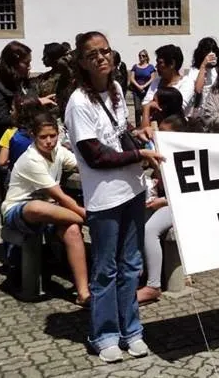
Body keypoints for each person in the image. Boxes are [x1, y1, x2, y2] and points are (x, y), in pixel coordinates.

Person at [65, 31, 163, 363]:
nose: (101, 58)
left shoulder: (119, 90)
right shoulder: (79, 102)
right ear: (82, 61)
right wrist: (139, 158)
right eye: (92, 54)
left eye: (105, 51)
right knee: (105, 269)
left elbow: (118, 137)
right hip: (105, 198)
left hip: (133, 191)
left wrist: (140, 135)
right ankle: (104, 334)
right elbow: (95, 155)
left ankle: (131, 330)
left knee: (131, 264)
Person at [1, 112, 89, 306]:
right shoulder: (31, 159)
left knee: (72, 230)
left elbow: (80, 166)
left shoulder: (58, 151)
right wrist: (86, 215)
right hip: (18, 210)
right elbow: (59, 196)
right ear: (33, 136)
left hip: (53, 210)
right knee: (37, 207)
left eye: (53, 135)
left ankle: (83, 292)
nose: (49, 141)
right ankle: (89, 219)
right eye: (43, 137)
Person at [137, 114, 188, 305]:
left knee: (150, 230)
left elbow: (186, 193)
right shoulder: (160, 152)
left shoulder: (184, 155)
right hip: (164, 201)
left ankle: (153, 285)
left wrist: (163, 201)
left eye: (164, 134)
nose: (160, 138)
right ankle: (139, 271)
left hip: (177, 205)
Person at [0, 41, 56, 148]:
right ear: (13, 64)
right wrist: (35, 102)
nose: (29, 67)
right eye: (26, 63)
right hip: (10, 147)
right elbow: (2, 119)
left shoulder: (25, 84)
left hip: (33, 141)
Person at [141, 45, 193, 127]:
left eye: (160, 63)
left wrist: (152, 106)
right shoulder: (156, 81)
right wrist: (149, 106)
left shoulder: (186, 83)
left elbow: (176, 108)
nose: (156, 66)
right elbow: (145, 104)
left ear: (172, 64)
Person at [0, 95, 37, 171]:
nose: (11, 112)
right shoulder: (42, 131)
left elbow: (2, 161)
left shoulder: (10, 133)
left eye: (13, 109)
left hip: (17, 174)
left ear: (18, 114)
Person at [32, 42, 73, 118]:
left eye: (45, 56)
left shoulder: (66, 76)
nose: (42, 59)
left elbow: (63, 64)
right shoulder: (43, 77)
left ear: (53, 58)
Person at [187, 37, 219, 118]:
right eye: (208, 51)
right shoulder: (194, 70)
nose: (211, 53)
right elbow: (198, 89)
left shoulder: (218, 70)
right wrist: (203, 65)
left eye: (213, 51)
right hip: (200, 111)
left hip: (215, 111)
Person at [129, 50, 156, 125]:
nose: (141, 57)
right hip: (136, 91)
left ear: (146, 57)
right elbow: (132, 78)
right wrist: (139, 87)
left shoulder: (150, 67)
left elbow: (152, 78)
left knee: (147, 108)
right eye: (140, 55)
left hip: (147, 90)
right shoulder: (135, 66)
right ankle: (138, 125)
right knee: (137, 109)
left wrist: (144, 86)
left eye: (143, 56)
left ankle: (147, 124)